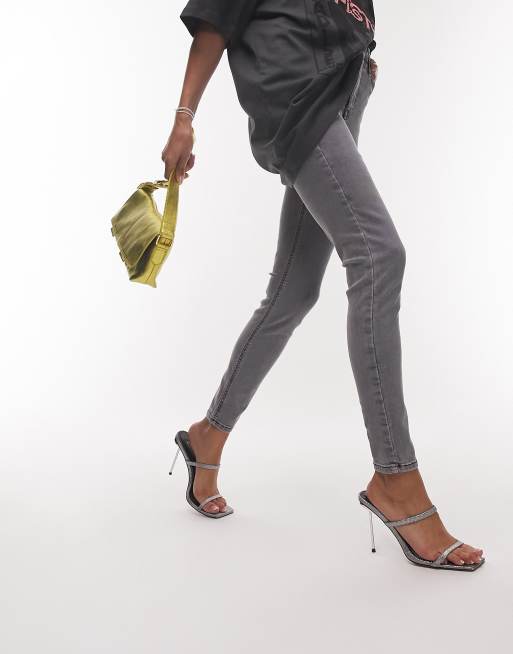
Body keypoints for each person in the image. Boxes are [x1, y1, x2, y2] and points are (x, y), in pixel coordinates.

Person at [162, 0, 484, 570]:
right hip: (299, 101)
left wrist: (360, 58)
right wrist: (184, 117)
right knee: (379, 257)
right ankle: (396, 480)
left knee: (294, 291)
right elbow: (215, 21)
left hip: (339, 98)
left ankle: (207, 436)